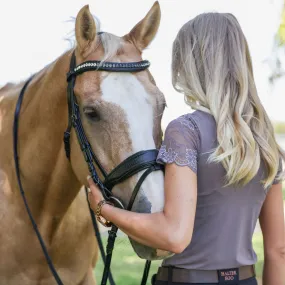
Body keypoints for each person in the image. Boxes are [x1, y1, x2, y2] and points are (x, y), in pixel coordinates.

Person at [87, 12, 285, 285]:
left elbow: (174, 236)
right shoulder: (264, 140)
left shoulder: (186, 131)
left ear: (188, 63)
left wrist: (104, 209)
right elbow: (278, 251)